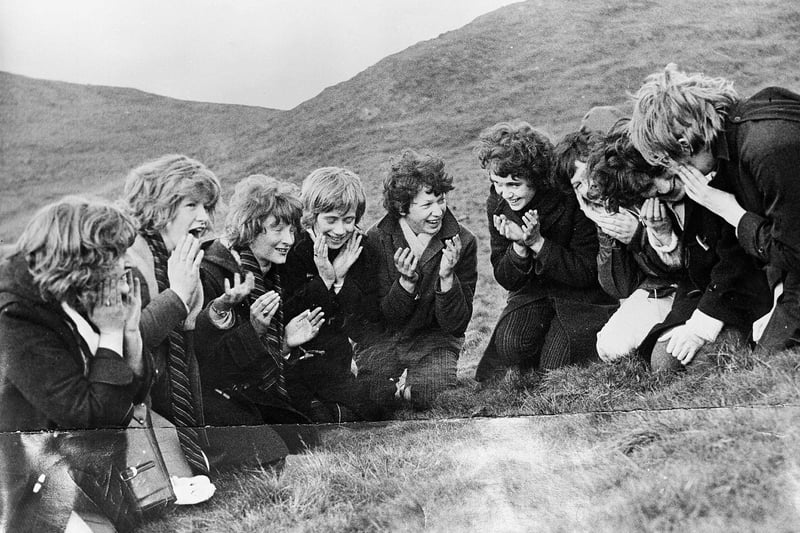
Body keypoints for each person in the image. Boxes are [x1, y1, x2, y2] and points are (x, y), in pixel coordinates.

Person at [0, 196, 150, 532]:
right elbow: (85, 415)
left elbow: (132, 393)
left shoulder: (76, 289)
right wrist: (110, 332)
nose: (126, 263)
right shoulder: (15, 314)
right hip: (38, 480)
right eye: (116, 255)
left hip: (86, 463)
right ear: (84, 260)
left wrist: (130, 334)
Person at [628, 63, 800, 351]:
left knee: (771, 361)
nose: (676, 173)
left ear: (683, 145)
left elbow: (793, 252)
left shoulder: (765, 148)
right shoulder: (737, 136)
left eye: (671, 164)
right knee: (766, 352)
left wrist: (731, 211)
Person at [588, 125, 770, 370]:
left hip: (742, 291)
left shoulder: (704, 179)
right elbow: (685, 271)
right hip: (699, 292)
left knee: (689, 361)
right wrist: (661, 237)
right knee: (662, 360)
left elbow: (736, 258)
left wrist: (701, 326)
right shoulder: (662, 202)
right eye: (647, 190)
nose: (663, 188)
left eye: (661, 173)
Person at [473, 120, 613, 383]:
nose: (506, 194)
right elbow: (505, 278)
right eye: (498, 183)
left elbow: (587, 271)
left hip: (580, 297)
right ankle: (544, 337)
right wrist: (518, 248)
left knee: (554, 365)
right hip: (533, 294)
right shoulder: (498, 201)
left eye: (515, 184)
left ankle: (567, 340)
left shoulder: (568, 195)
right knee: (510, 347)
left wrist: (538, 243)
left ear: (536, 176)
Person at [194, 174, 323, 450]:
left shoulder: (276, 269)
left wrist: (285, 343)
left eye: (291, 230)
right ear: (250, 228)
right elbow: (211, 365)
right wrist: (252, 331)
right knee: (287, 441)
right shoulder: (213, 273)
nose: (289, 240)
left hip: (265, 387)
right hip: (226, 397)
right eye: (277, 230)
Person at [122, 154, 220, 476]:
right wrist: (177, 295)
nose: (203, 218)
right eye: (191, 206)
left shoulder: (178, 256)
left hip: (173, 400)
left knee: (266, 446)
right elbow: (133, 339)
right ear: (159, 208)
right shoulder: (127, 260)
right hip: (131, 407)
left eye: (206, 207)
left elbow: (191, 352)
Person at [361, 149, 477, 410]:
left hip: (434, 339)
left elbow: (456, 324)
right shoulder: (376, 240)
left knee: (433, 396)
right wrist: (405, 284)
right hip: (386, 339)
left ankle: (411, 390)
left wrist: (447, 278)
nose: (438, 212)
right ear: (402, 207)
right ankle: (389, 389)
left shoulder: (464, 241)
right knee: (372, 399)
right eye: (426, 205)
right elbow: (383, 316)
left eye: (441, 200)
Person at [282, 167, 386, 422]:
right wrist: (326, 278)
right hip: (290, 362)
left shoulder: (362, 249)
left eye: (348, 220)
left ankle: (329, 410)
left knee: (375, 410)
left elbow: (365, 321)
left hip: (334, 363)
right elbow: (287, 310)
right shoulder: (291, 248)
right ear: (311, 216)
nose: (341, 230)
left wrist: (340, 284)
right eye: (331, 219)